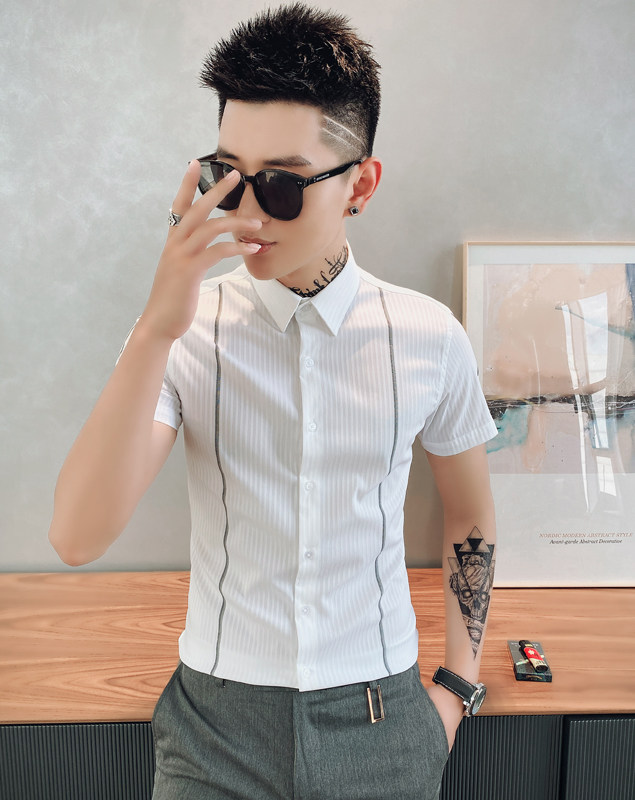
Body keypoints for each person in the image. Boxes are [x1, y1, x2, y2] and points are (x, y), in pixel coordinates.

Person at [48, 4, 497, 799]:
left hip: (383, 723)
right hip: (215, 730)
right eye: (227, 177)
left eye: (283, 186)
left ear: (360, 184)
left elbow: (470, 517)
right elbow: (77, 537)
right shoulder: (185, 330)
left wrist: (457, 690)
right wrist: (156, 327)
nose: (249, 213)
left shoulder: (428, 336)